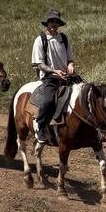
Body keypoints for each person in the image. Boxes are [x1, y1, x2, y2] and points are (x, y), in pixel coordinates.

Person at [30, 9, 77, 139]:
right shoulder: (40, 40)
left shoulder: (64, 39)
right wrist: (55, 71)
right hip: (50, 77)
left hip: (67, 76)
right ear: (47, 23)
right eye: (52, 21)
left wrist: (71, 65)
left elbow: (70, 59)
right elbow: (39, 64)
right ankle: (40, 126)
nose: (54, 24)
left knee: (87, 93)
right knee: (48, 100)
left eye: (56, 22)